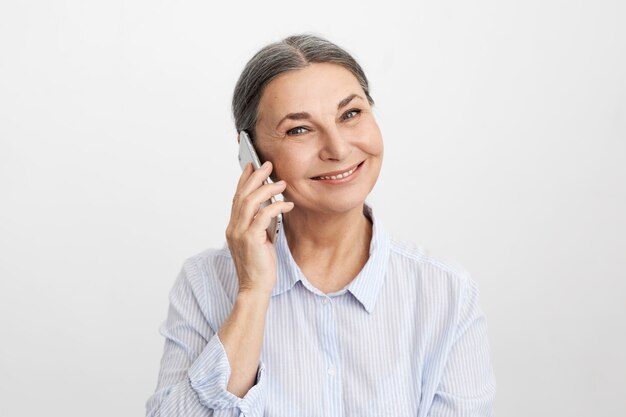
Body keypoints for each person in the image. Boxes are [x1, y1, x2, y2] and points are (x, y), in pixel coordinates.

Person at [145, 34, 496, 417]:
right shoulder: (205, 284)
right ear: (251, 153)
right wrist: (252, 293)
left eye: (350, 114)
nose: (338, 149)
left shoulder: (446, 293)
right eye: (299, 129)